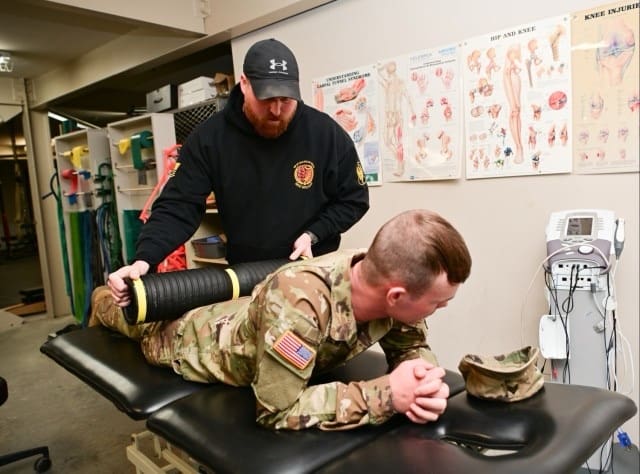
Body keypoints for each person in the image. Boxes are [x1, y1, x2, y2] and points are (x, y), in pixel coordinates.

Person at [90, 209, 472, 431]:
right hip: (187, 341)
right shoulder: (300, 304)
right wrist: (386, 395)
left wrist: (422, 378)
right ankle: (101, 298)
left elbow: (411, 344)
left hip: (252, 318)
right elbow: (277, 410)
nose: (440, 309)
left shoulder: (385, 269)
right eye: (438, 304)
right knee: (128, 319)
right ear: (396, 296)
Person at [109, 38, 369, 307]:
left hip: (312, 273)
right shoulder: (209, 139)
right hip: (247, 280)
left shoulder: (325, 134)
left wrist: (314, 233)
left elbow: (354, 199)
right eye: (267, 99)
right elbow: (177, 205)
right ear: (244, 84)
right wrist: (144, 259)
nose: (276, 111)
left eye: (285, 99)